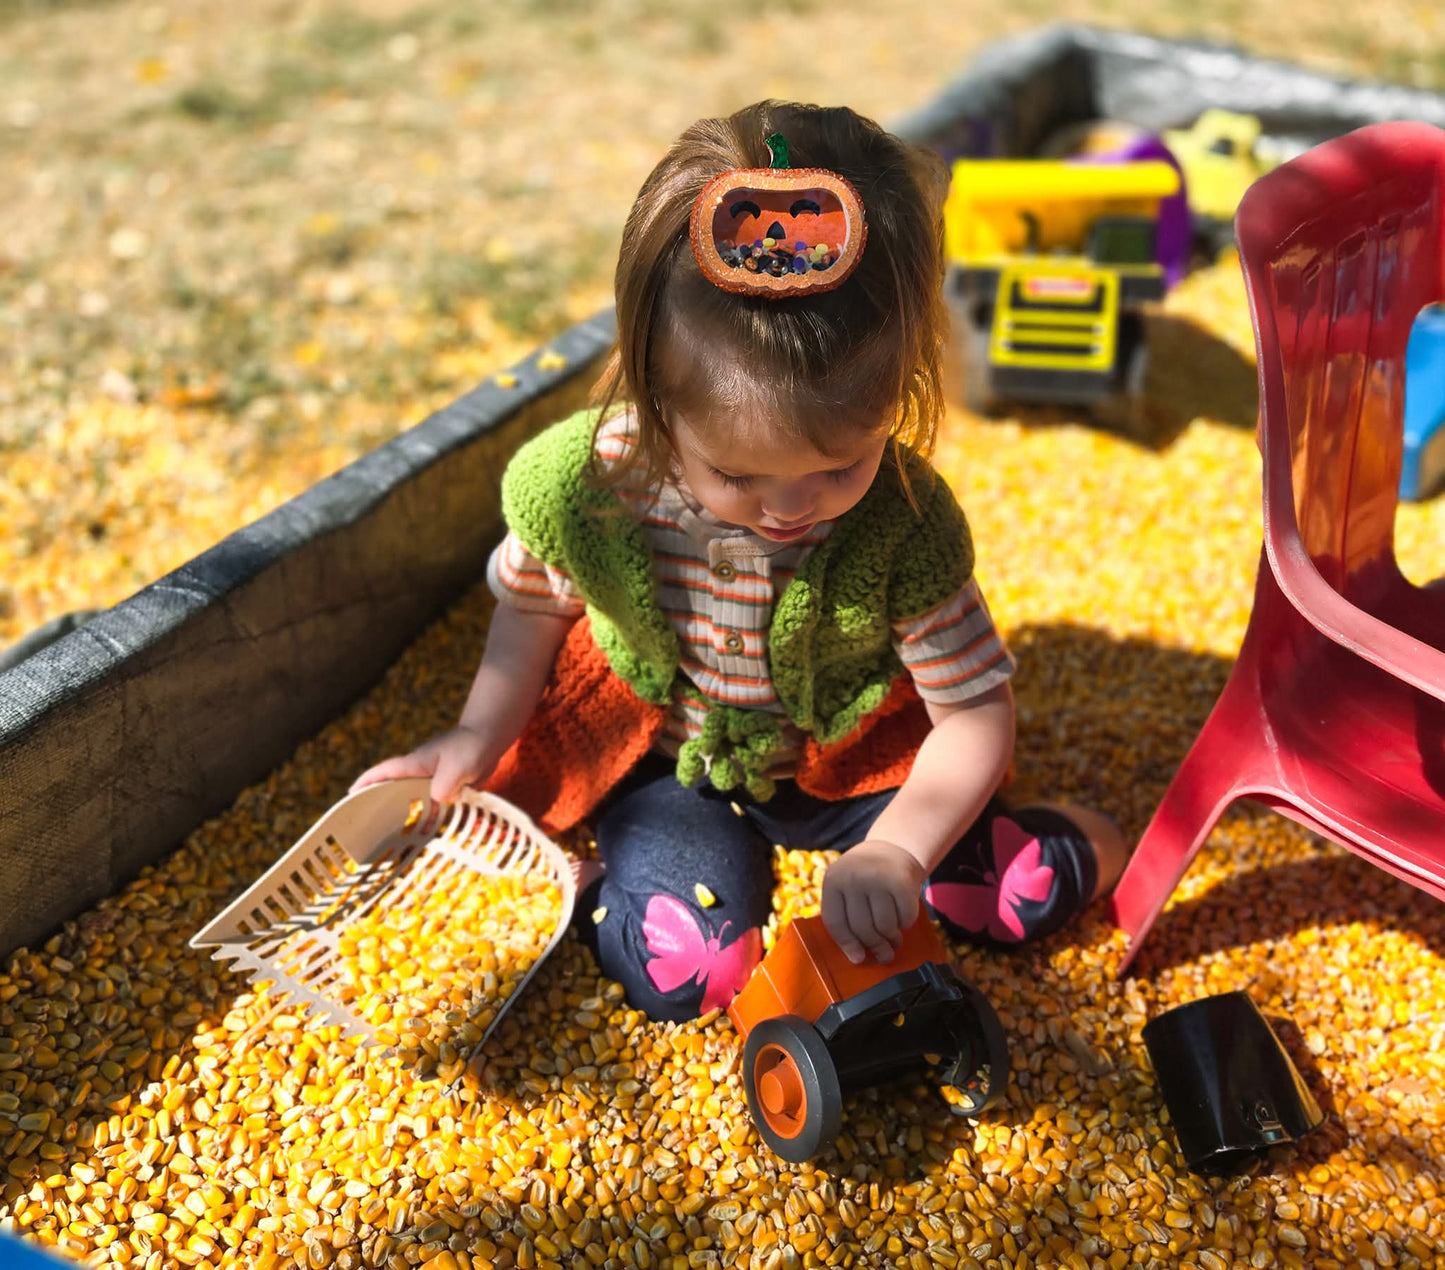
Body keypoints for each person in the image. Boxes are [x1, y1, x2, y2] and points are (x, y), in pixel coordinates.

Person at [353, 100, 1129, 1022]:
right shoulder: (585, 488)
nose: (792, 507)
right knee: (692, 973)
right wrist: (476, 737)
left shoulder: (904, 528)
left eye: (842, 463)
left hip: (845, 766)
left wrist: (897, 852)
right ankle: (609, 877)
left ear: (906, 384)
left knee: (979, 896)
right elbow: (530, 611)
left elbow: (971, 714)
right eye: (734, 474)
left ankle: (1017, 845)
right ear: (649, 391)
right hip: (665, 766)